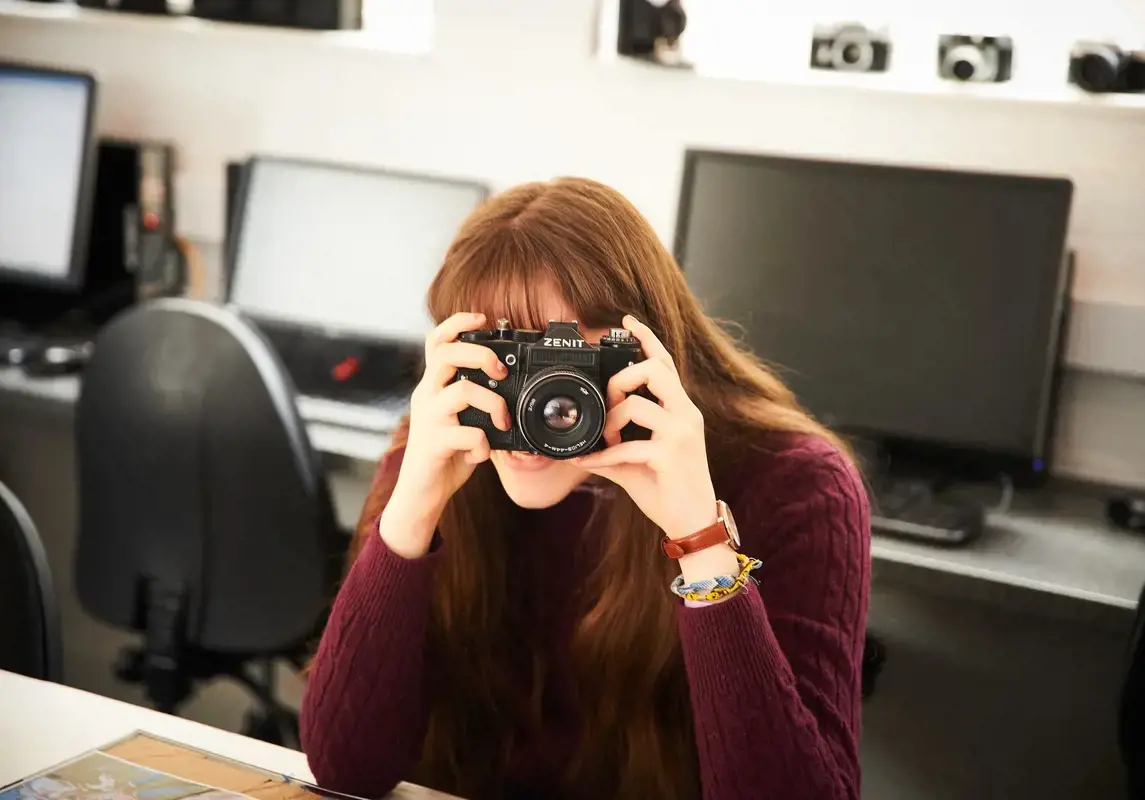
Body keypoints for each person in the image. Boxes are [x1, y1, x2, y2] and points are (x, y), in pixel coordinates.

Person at [300, 177, 871, 800]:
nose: (534, 402)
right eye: (506, 355)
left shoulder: (798, 483)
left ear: (643, 348)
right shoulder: (445, 448)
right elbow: (344, 769)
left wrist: (701, 540)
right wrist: (413, 509)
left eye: (563, 358)